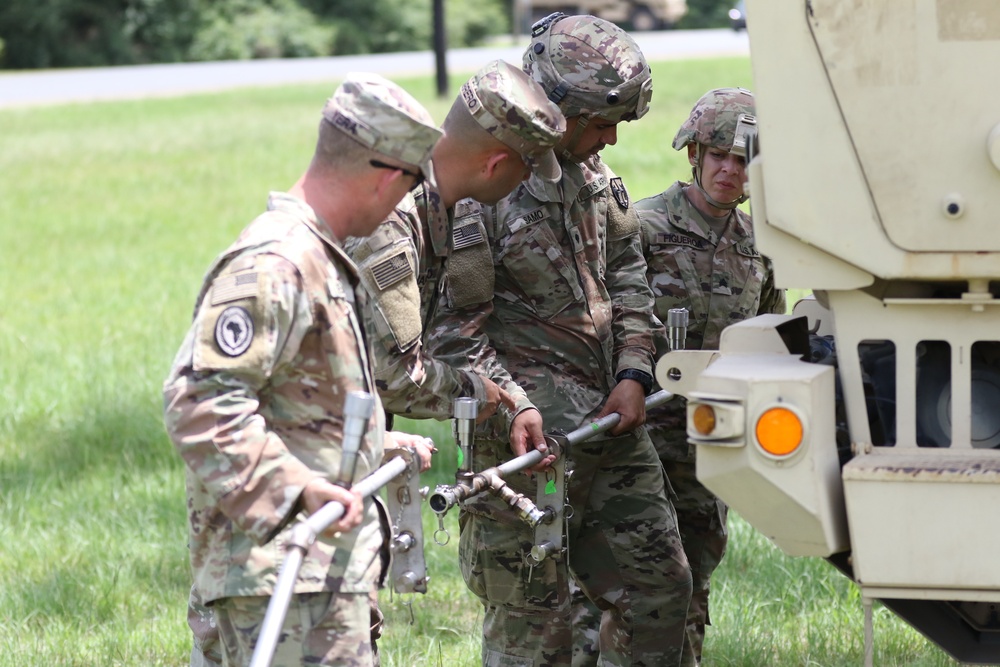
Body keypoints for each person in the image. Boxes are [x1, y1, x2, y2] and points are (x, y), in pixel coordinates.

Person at [425, 14, 693, 667]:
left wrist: (634, 370)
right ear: (552, 107)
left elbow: (629, 273)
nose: (609, 138)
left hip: (611, 428)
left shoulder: (595, 173)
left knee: (659, 590)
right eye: (598, 123)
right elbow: (454, 334)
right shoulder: (485, 184)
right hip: (525, 451)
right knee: (534, 628)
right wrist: (516, 404)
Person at [162, 72, 442, 667]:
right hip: (282, 574)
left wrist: (375, 444)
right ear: (390, 176)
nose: (405, 204)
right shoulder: (277, 263)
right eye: (412, 185)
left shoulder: (316, 256)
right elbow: (201, 403)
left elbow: (287, 405)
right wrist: (295, 491)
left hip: (310, 571)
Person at [634, 87, 786, 666]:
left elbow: (770, 334)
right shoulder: (642, 227)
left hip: (713, 443)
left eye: (744, 159)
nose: (729, 170)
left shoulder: (760, 246)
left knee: (694, 582)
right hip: (641, 438)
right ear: (693, 154)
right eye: (718, 155)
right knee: (627, 585)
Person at [346, 59, 566, 435]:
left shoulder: (444, 208)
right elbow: (394, 377)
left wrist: (511, 400)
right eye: (527, 165)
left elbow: (450, 330)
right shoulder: (392, 224)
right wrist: (474, 392)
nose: (528, 177)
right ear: (494, 164)